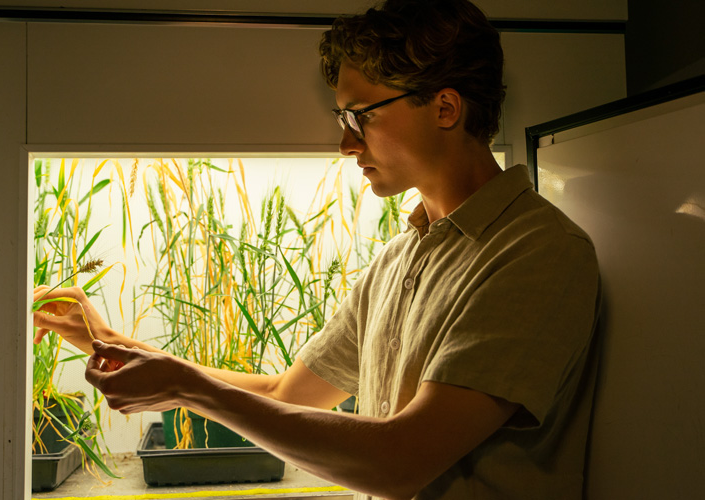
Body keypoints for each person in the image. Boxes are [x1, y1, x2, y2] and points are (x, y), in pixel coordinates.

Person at [33, 0, 601, 498]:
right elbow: (287, 395)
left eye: (363, 116)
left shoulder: (537, 253)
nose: (346, 141)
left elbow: (400, 460)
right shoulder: (401, 257)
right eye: (343, 117)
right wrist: (109, 342)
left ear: (445, 108)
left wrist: (186, 388)